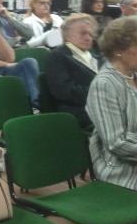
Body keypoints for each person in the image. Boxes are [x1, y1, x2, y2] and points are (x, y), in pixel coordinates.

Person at [86, 16, 137, 190]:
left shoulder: (133, 75)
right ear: (118, 51)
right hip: (122, 170)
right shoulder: (104, 84)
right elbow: (117, 143)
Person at [45, 14, 101, 128]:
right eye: (83, 33)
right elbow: (64, 92)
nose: (88, 38)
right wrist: (102, 93)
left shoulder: (98, 56)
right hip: (79, 112)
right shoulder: (58, 56)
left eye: (91, 34)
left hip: (105, 108)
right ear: (67, 35)